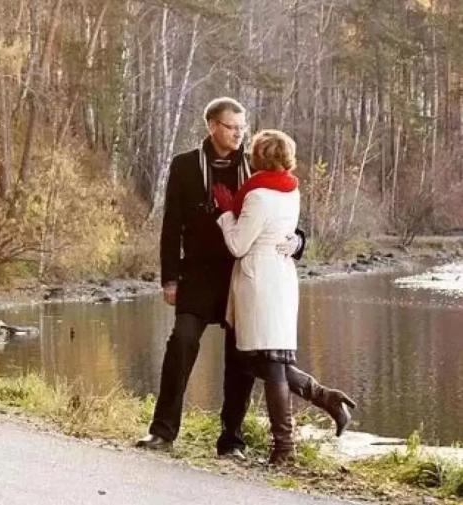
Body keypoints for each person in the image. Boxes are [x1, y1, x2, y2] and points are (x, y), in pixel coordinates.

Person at [136, 97, 303, 458]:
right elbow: (171, 226)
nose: (239, 133)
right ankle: (162, 431)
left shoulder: (254, 165)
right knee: (182, 342)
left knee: (240, 361)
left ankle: (232, 441)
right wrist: (169, 279)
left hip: (241, 276)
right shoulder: (185, 165)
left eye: (243, 127)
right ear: (212, 126)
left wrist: (299, 241)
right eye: (232, 127)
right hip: (197, 274)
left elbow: (283, 214)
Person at [214, 130, 357, 464]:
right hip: (279, 278)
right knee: (260, 359)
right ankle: (325, 398)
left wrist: (226, 215)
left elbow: (238, 245)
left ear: (258, 157)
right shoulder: (290, 190)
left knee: (269, 363)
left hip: (259, 282)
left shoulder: (257, 195)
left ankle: (285, 447)